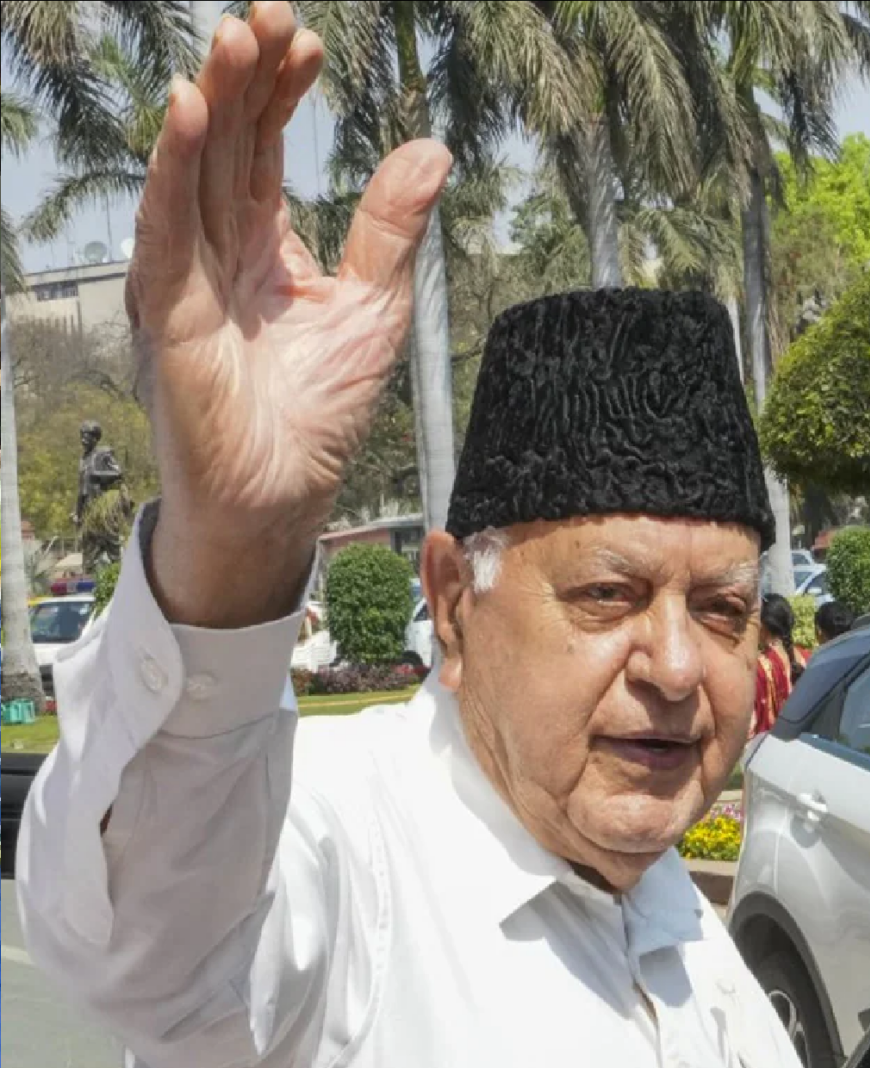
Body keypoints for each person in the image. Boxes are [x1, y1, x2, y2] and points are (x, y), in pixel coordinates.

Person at [15, 6, 800, 1065]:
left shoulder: (692, 940)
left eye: (722, 610)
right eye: (607, 596)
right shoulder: (340, 856)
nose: (675, 666)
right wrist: (232, 555)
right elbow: (144, 950)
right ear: (453, 604)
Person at [754, 594, 807, 736]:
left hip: (771, 741)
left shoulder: (760, 667)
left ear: (762, 625)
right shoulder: (805, 657)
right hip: (803, 738)